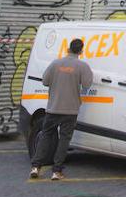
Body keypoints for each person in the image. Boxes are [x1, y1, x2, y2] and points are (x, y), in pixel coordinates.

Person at [30, 38, 94, 181]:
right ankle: (56, 171)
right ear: (81, 50)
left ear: (68, 49)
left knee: (45, 136)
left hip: (53, 108)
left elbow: (45, 81)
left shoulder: (55, 63)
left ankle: (35, 167)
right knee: (64, 139)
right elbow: (87, 84)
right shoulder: (82, 66)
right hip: (70, 110)